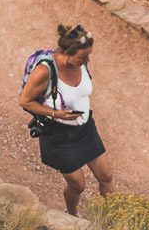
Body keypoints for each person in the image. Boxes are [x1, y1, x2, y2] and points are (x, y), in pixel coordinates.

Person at [19, 23, 114, 216]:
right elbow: (25, 101)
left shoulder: (81, 62)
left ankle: (115, 222)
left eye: (88, 56)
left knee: (106, 176)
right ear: (66, 53)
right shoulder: (45, 72)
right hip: (59, 136)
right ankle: (71, 214)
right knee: (78, 185)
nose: (87, 60)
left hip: (85, 129)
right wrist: (56, 113)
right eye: (82, 57)